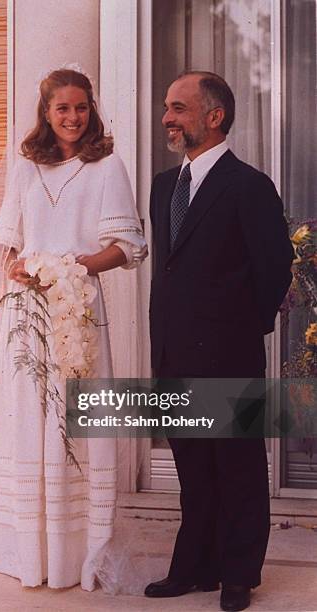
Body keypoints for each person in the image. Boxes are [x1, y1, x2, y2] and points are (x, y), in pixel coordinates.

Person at [0, 67, 147, 590]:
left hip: (79, 307)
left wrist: (76, 266)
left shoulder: (107, 166)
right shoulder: (24, 168)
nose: (72, 117)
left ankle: (78, 557)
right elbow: (8, 238)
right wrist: (18, 266)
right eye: (62, 108)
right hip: (27, 313)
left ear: (92, 109)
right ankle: (30, 553)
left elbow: (128, 245)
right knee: (30, 423)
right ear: (45, 113)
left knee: (76, 421)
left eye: (81, 107)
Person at [146, 71, 293, 611]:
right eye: (167, 107)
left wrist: (235, 330)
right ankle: (194, 567)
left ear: (214, 116)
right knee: (193, 470)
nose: (167, 117)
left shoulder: (249, 185)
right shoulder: (166, 185)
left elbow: (276, 269)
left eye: (179, 108)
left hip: (228, 354)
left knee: (237, 468)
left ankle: (238, 575)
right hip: (173, 353)